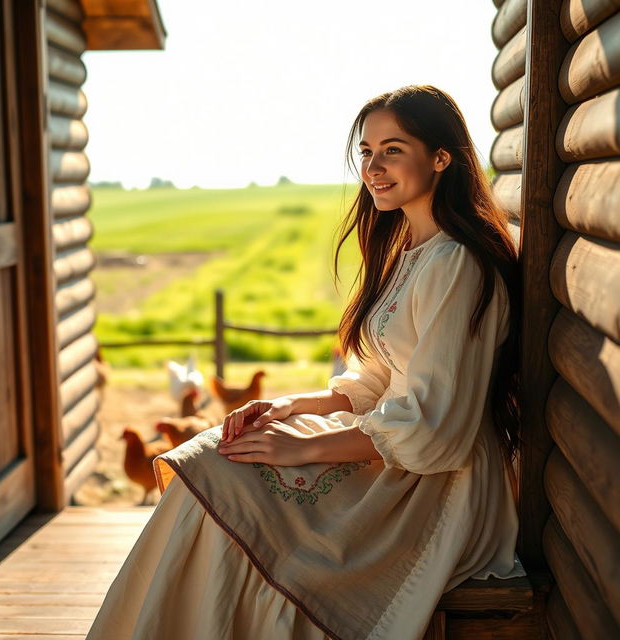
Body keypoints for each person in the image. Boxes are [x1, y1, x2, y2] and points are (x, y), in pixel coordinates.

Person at [85, 85, 525, 640]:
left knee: (231, 484)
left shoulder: (456, 264)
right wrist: (291, 405)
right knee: (213, 462)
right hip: (399, 447)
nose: (373, 166)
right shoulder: (413, 252)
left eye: (393, 149)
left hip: (441, 483)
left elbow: (434, 427)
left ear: (441, 158)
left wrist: (304, 445)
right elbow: (380, 377)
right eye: (366, 151)